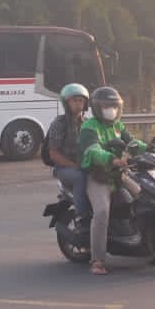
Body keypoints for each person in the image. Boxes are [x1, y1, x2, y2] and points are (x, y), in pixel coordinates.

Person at [77, 85, 135, 276]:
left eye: (114, 106)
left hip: (119, 174)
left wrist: (151, 148)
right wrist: (111, 159)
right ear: (96, 108)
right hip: (98, 176)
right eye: (106, 106)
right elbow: (93, 150)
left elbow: (133, 142)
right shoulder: (89, 126)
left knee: (145, 193)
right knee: (102, 212)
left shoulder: (118, 126)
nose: (111, 110)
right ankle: (97, 260)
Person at [46, 83, 93, 221]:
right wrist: (74, 166)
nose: (78, 104)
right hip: (64, 168)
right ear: (66, 103)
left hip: (85, 165)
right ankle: (81, 216)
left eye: (81, 101)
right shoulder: (60, 123)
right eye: (74, 100)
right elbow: (53, 154)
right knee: (80, 177)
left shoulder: (87, 123)